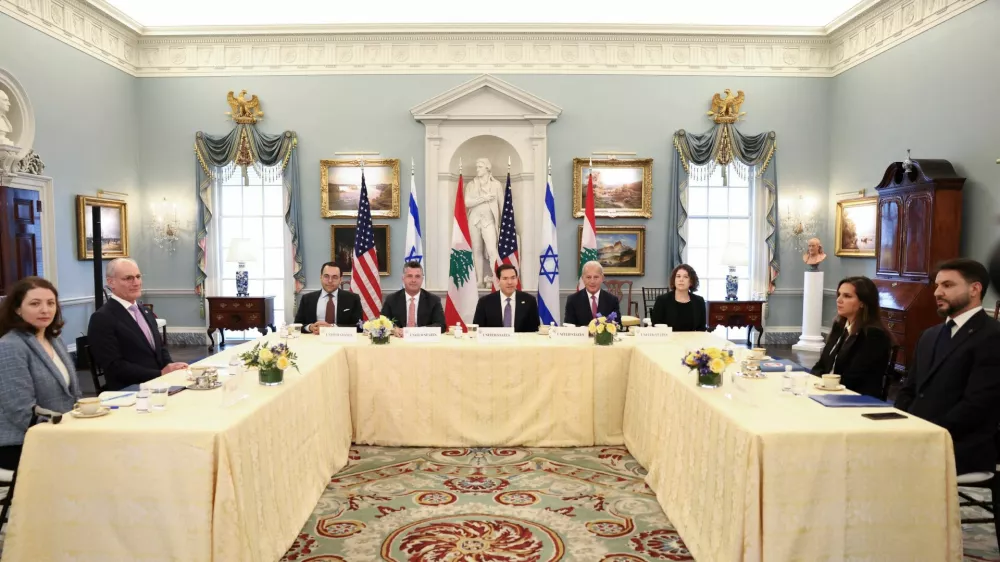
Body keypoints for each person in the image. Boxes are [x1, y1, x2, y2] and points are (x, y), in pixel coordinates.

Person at [895, 258, 1000, 475]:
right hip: (916, 436)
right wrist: (899, 424)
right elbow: (909, 389)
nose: (937, 292)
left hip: (960, 446)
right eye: (937, 285)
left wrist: (927, 433)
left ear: (975, 289)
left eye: (948, 285)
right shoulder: (929, 335)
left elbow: (977, 405)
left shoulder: (992, 336)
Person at [0, 277, 81, 470]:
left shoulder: (54, 341)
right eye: (35, 304)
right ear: (17, 309)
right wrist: (64, 430)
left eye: (50, 303)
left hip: (59, 434)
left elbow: (74, 394)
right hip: (23, 443)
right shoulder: (10, 346)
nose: (45, 310)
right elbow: (20, 412)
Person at [88, 258, 187, 391]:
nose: (136, 283)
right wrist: (160, 374)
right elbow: (114, 366)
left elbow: (160, 348)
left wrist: (171, 367)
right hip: (130, 391)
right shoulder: (102, 318)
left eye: (138, 277)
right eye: (128, 278)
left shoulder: (144, 311)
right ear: (111, 282)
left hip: (160, 385)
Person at [810, 276, 893, 398]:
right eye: (839, 294)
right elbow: (821, 365)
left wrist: (825, 388)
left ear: (862, 303)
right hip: (828, 391)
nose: (839, 300)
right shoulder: (840, 326)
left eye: (847, 296)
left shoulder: (874, 335)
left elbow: (854, 378)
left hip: (854, 398)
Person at [465, 157, 504, 288]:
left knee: (493, 250)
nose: (477, 169)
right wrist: (483, 198)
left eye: (480, 167)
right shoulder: (471, 184)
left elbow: (502, 206)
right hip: (474, 220)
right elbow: (467, 202)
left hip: (489, 221)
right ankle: (479, 280)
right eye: (477, 167)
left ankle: (495, 278)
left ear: (487, 168)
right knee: (476, 250)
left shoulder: (496, 185)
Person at [293, 262, 363, 334]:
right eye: (326, 276)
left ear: (340, 279)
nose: (330, 281)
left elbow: (359, 327)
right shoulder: (307, 299)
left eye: (335, 277)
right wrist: (310, 327)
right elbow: (296, 325)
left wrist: (332, 328)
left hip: (342, 341)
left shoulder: (353, 299)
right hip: (314, 341)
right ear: (321, 277)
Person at [380, 261, 446, 336]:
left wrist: (417, 331)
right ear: (403, 278)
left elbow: (441, 325)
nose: (413, 280)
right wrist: (394, 329)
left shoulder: (433, 300)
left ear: (422, 279)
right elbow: (382, 322)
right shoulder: (391, 299)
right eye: (410, 276)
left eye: (417, 276)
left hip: (423, 342)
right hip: (399, 341)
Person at [472, 264, 540, 333]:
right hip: (493, 343)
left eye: (513, 278)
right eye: (505, 278)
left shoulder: (529, 301)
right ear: (498, 281)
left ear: (517, 279)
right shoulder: (485, 302)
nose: (510, 282)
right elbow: (477, 330)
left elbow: (534, 331)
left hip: (521, 343)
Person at [650, 264, 707, 331]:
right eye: (678, 276)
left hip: (692, 340)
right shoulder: (662, 300)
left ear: (691, 281)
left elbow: (702, 329)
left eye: (685, 277)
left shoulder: (699, 301)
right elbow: (656, 326)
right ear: (674, 280)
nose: (681, 280)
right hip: (668, 340)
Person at [564, 261, 621, 326]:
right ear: (583, 279)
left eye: (596, 277)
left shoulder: (612, 300)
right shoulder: (572, 300)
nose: (592, 281)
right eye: (588, 277)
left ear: (602, 278)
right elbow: (569, 327)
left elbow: (618, 326)